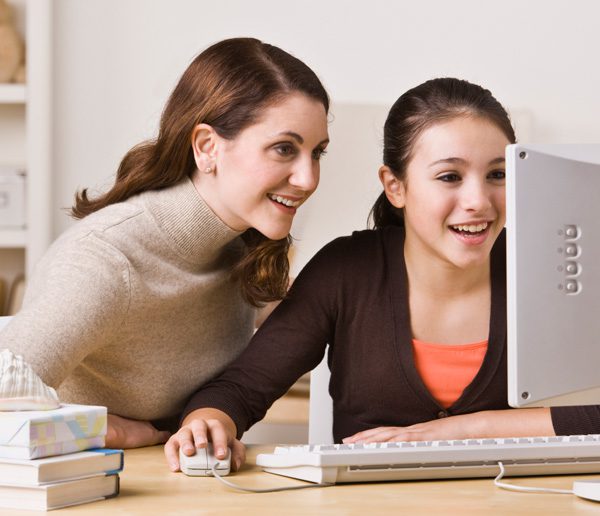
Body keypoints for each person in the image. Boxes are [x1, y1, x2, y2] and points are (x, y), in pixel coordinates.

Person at [164, 77, 600, 472]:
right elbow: (242, 389)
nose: (478, 201)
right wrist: (208, 423)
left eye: (497, 175)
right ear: (395, 186)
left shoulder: (558, 269)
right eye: (450, 176)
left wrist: (458, 431)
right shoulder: (346, 271)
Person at [0, 37, 329, 448]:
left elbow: (313, 318)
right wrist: (99, 430)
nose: (309, 179)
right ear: (208, 147)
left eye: (317, 153)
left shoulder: (239, 246)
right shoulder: (106, 260)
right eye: (284, 149)